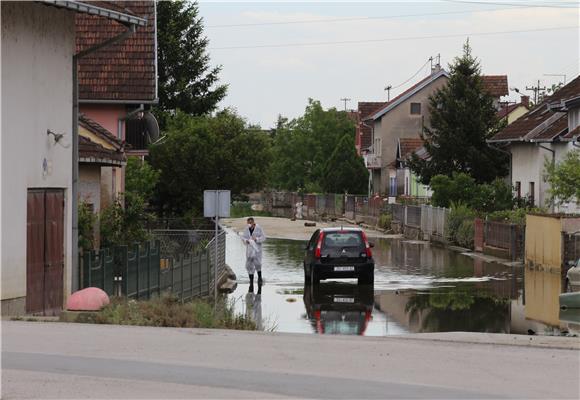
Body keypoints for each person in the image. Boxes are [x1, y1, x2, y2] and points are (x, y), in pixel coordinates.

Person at [242, 217, 266, 292]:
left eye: (251, 223)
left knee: (258, 264)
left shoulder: (259, 228)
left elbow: (264, 237)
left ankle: (259, 278)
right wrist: (246, 241)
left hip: (257, 249)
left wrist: (256, 239)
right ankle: (251, 281)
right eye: (248, 223)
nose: (250, 224)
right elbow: (243, 237)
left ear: (253, 222)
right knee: (249, 265)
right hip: (249, 249)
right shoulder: (246, 229)